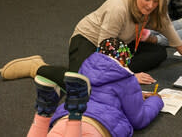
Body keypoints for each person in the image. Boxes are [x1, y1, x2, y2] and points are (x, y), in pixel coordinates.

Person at [0, 0, 182, 89]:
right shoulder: (118, 7)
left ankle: (118, 74)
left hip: (120, 44)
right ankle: (36, 67)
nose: (150, 6)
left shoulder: (155, 9)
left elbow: (170, 32)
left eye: (155, 2)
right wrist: (130, 76)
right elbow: (104, 49)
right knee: (81, 82)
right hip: (89, 41)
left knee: (159, 52)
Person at [27, 37, 163, 137]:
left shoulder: (85, 66)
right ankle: (54, 113)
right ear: (125, 59)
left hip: (62, 120)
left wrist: (138, 96)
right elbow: (139, 119)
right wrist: (156, 100)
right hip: (99, 125)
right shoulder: (127, 78)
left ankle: (46, 113)